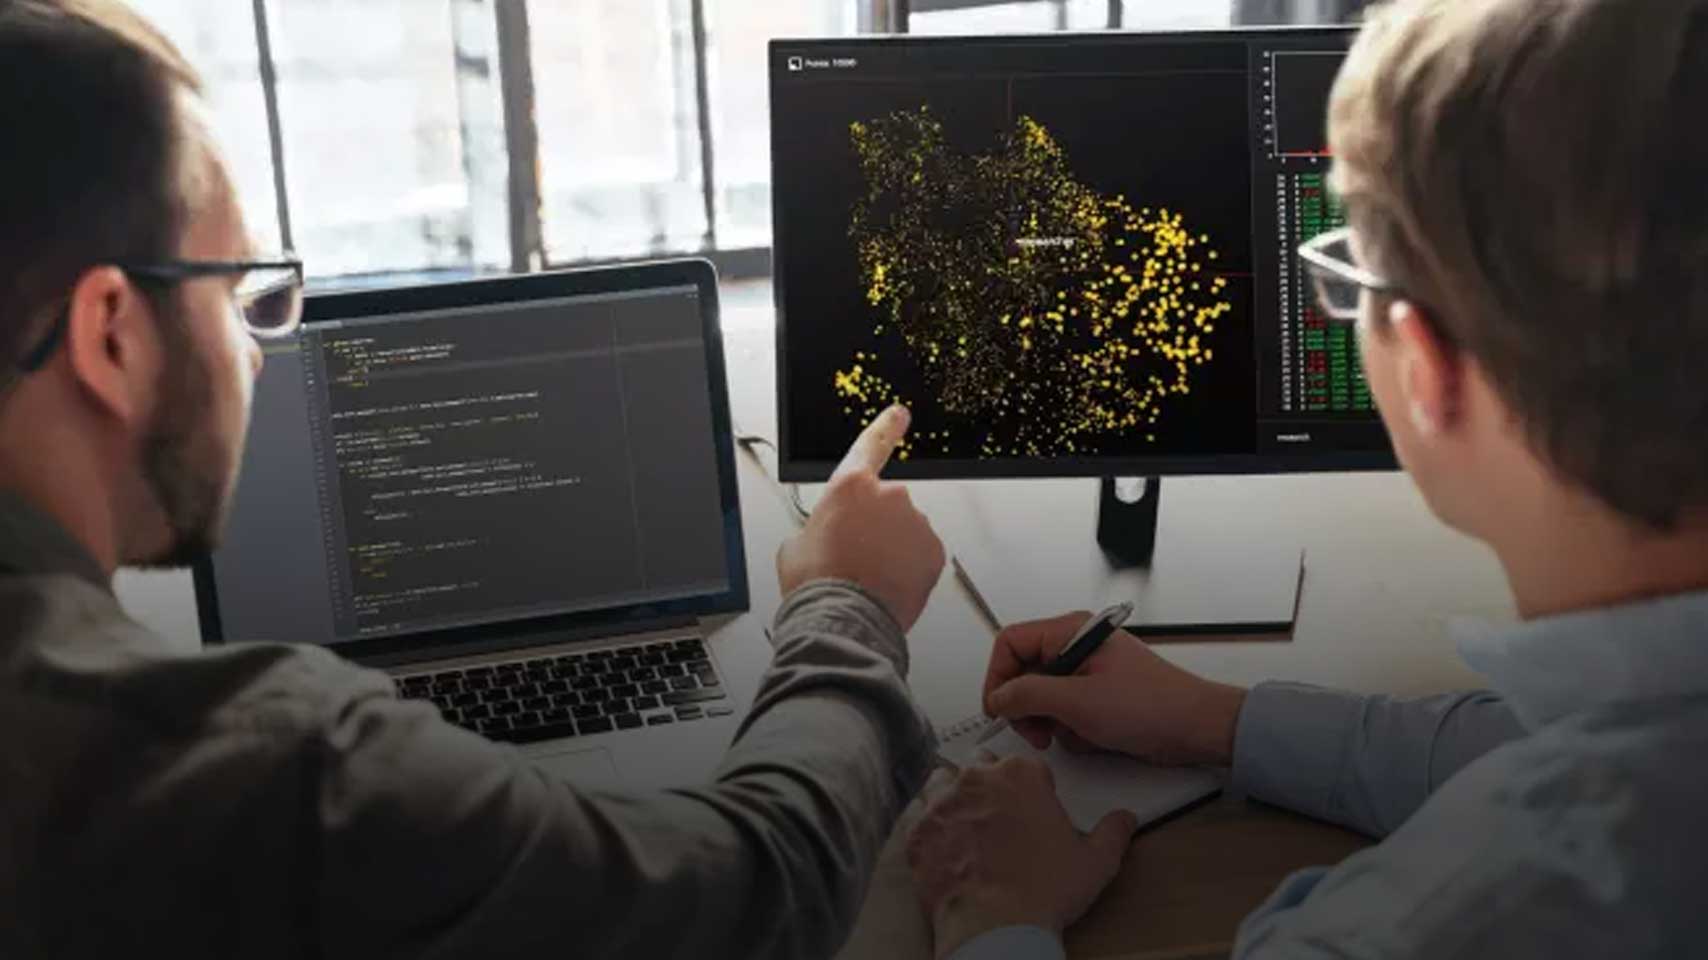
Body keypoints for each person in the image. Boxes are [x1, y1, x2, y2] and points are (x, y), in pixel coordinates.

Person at [0, 2, 949, 956]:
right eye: (234, 292)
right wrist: (847, 601)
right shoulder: (262, 769)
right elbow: (755, 897)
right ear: (111, 334)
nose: (253, 352)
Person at [908, 0, 1708, 956]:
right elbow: (1546, 743)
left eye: (1350, 277)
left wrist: (996, 920)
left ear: (1427, 366)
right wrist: (1216, 721)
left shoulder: (1426, 927)